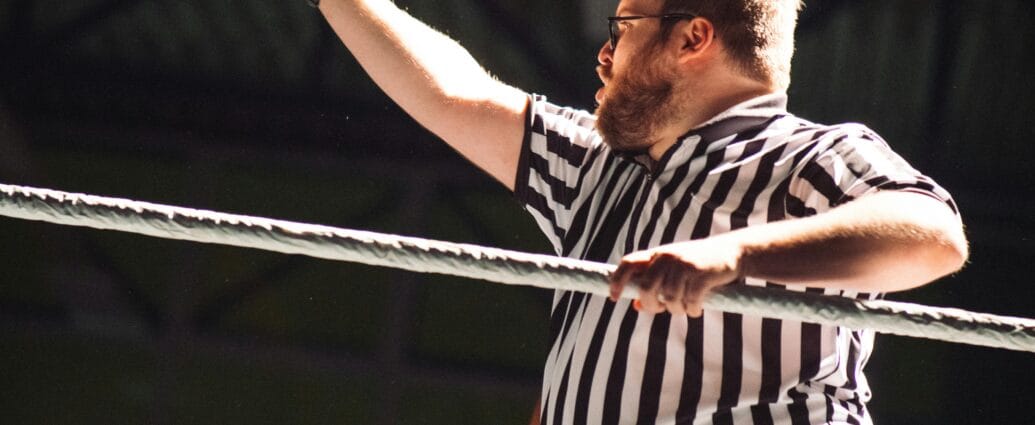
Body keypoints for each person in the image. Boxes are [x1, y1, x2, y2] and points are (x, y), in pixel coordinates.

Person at [315, 0, 968, 423]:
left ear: (692, 38)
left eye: (622, 28)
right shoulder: (596, 165)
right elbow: (457, 94)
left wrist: (732, 255)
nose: (603, 55)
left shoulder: (810, 154)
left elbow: (933, 234)